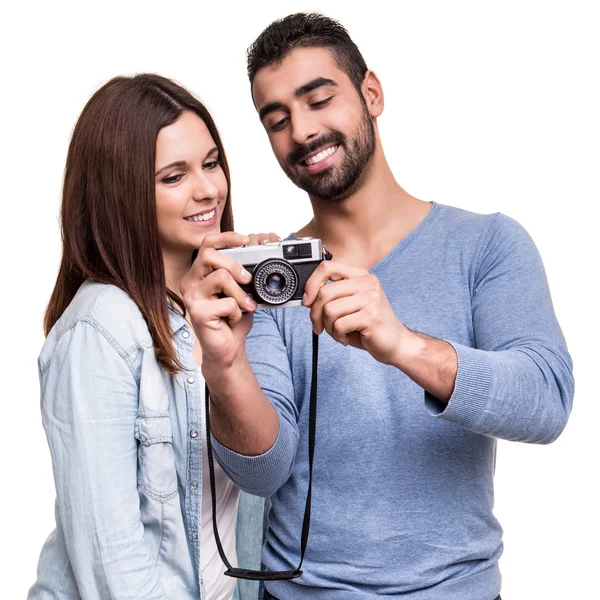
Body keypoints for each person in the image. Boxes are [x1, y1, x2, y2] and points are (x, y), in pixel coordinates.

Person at [182, 12, 574, 600]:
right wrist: (224, 365)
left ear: (371, 93)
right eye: (277, 120)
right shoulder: (273, 282)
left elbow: (546, 402)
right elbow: (263, 471)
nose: (303, 131)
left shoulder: (488, 243)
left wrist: (402, 344)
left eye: (319, 99)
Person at [27, 73, 273, 600]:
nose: (207, 188)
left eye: (211, 163)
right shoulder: (102, 327)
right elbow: (112, 563)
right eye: (173, 176)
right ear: (121, 190)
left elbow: (260, 476)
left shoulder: (222, 309)